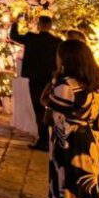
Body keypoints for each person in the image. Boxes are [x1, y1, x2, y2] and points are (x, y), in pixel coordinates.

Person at [45, 40, 99, 198]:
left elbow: (47, 108)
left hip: (72, 143)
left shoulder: (66, 86)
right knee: (93, 186)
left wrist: (53, 80)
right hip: (93, 139)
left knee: (72, 185)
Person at [10, 15, 62, 150]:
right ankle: (50, 140)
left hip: (35, 78)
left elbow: (14, 36)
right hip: (50, 80)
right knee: (49, 108)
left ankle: (43, 141)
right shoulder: (57, 41)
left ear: (39, 26)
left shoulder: (31, 38)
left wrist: (15, 22)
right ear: (50, 26)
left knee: (39, 109)